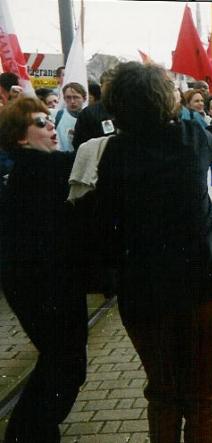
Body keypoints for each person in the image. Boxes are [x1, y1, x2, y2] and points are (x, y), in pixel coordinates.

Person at [94, 61, 212, 442]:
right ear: (164, 101)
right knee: (205, 395)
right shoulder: (190, 139)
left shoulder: (109, 154)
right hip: (205, 283)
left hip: (143, 291)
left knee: (162, 393)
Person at [0, 97, 87, 442]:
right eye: (40, 122)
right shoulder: (40, 168)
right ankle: (28, 432)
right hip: (44, 284)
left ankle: (34, 430)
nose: (51, 126)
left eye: (50, 120)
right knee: (65, 362)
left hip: (42, 282)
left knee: (62, 360)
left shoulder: (33, 167)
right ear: (20, 137)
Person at [55, 82, 87, 151]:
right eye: (68, 97)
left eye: (76, 97)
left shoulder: (90, 118)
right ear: (64, 98)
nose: (72, 101)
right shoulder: (57, 116)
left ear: (84, 98)